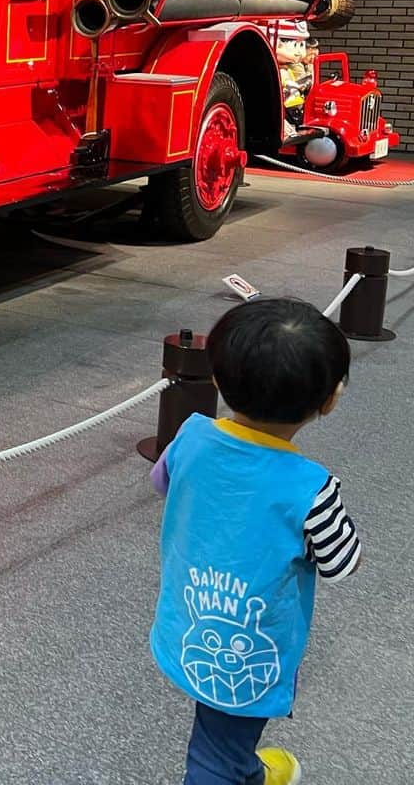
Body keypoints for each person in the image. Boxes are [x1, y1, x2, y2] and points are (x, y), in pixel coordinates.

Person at [150, 298, 361, 784]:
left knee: (221, 736)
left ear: (218, 381)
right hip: (248, 651)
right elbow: (343, 563)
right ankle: (235, 771)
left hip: (187, 620)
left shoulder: (192, 435)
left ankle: (249, 772)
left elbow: (163, 483)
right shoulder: (311, 487)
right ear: (330, 399)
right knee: (214, 755)